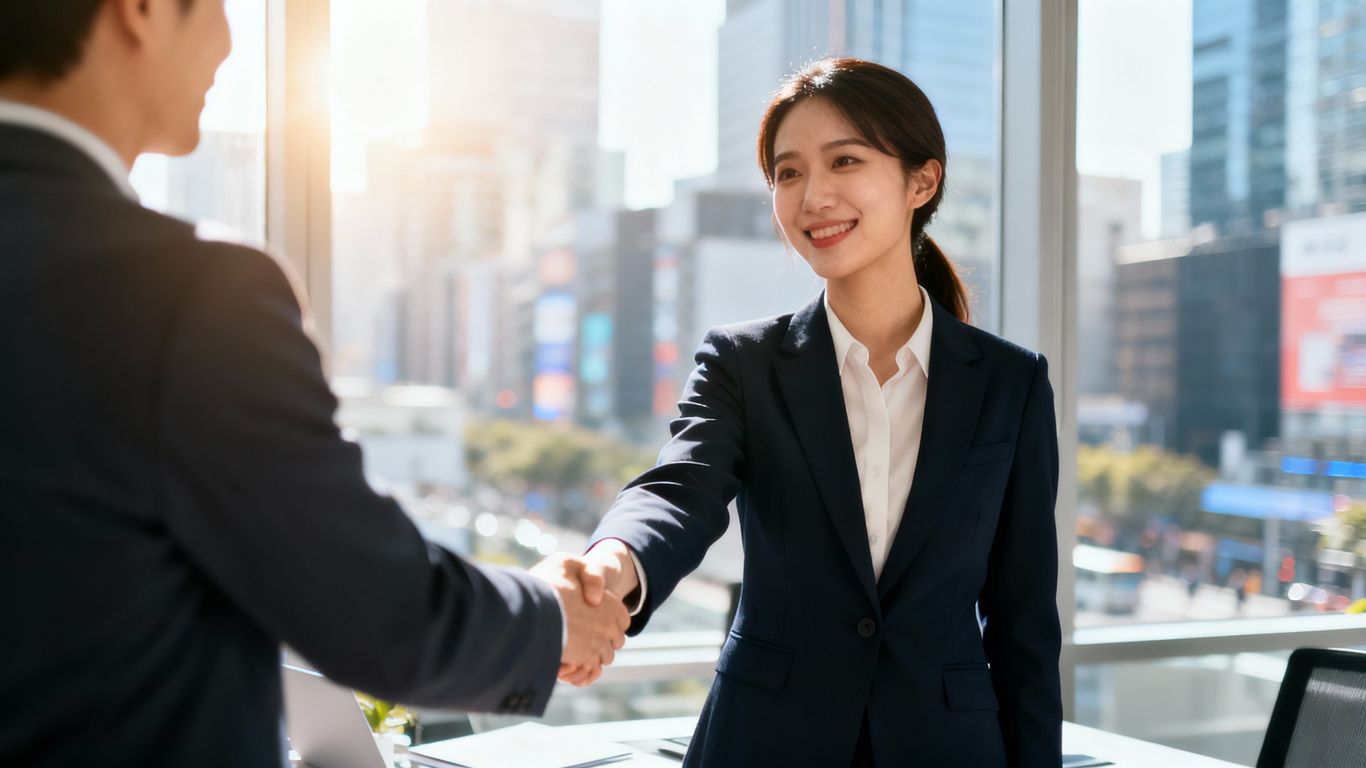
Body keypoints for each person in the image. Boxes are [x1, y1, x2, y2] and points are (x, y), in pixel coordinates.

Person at [0, 1, 626, 764]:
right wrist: (556, 614)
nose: (230, 46)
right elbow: (381, 612)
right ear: (142, 11)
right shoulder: (187, 293)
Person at [562, 58, 1063, 766]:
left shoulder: (1010, 384)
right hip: (767, 742)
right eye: (788, 174)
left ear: (922, 180)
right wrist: (611, 566)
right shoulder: (744, 363)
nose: (812, 196)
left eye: (845, 161)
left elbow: (1024, 630)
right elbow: (680, 491)